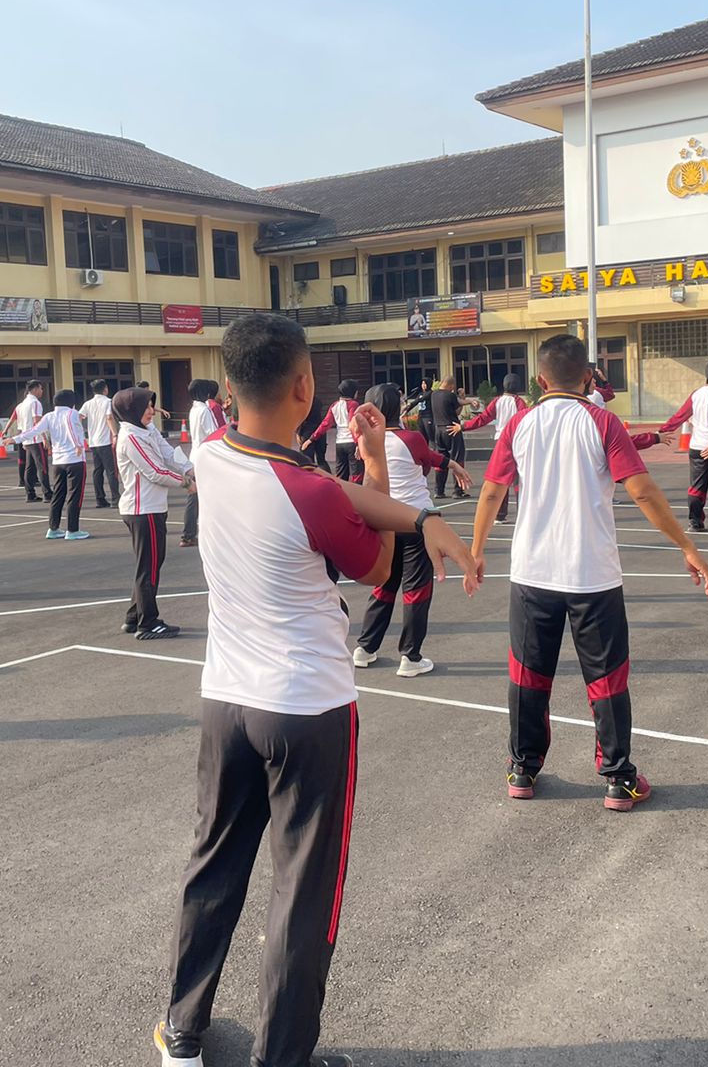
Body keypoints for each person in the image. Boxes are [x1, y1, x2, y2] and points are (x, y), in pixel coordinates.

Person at [156, 312, 477, 1067]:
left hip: (226, 698)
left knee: (213, 865)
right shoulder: (310, 492)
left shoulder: (212, 452)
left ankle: (182, 1036)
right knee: (304, 894)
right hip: (305, 707)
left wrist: (418, 512)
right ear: (305, 386)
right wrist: (382, 469)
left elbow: (320, 488)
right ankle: (283, 1057)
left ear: (228, 387)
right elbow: (376, 567)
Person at [467, 333, 708, 809]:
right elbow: (642, 491)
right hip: (592, 575)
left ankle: (522, 768)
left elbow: (492, 492)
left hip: (532, 573)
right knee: (606, 679)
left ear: (540, 381)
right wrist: (686, 545)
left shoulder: (520, 423)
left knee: (527, 675)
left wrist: (476, 550)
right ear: (587, 378)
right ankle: (619, 778)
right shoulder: (602, 422)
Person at [349, 381, 472, 679]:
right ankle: (410, 656)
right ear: (396, 407)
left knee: (384, 586)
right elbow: (431, 459)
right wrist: (454, 465)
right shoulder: (411, 438)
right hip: (415, 521)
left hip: (384, 519)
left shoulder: (364, 440)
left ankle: (365, 647)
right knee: (417, 589)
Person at [115, 387, 192, 640]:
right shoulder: (131, 437)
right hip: (143, 510)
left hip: (153, 507)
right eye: (147, 407)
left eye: (151, 405)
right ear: (132, 410)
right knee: (149, 568)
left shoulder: (146, 430)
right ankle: (148, 623)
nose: (152, 411)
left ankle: (133, 617)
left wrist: (189, 469)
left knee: (150, 564)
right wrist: (186, 483)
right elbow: (155, 471)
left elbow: (168, 452)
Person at [658, 360, 708, 533]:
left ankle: (695, 522)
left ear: (706, 375)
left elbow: (680, 415)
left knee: (697, 485)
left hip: (696, 447)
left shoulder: (696, 394)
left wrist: (662, 431)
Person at [12, 389, 89, 540]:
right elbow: (70, 426)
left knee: (58, 495)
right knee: (75, 496)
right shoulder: (72, 413)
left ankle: (53, 528)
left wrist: (15, 439)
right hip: (75, 460)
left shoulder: (49, 416)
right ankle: (73, 530)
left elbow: (34, 430)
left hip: (58, 462)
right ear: (71, 403)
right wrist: (77, 444)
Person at [461, 373, 528, 522]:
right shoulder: (519, 402)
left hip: (500, 442)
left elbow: (483, 419)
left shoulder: (497, 401)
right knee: (519, 480)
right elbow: (526, 421)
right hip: (516, 441)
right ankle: (522, 514)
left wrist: (464, 426)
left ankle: (500, 515)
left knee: (501, 479)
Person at [181, 379, 224, 548]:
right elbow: (213, 433)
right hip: (206, 457)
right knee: (206, 496)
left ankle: (188, 534)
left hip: (195, 455)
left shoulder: (194, 409)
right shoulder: (205, 410)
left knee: (194, 497)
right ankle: (198, 533)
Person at [0, 380, 47, 503]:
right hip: (36, 439)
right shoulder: (35, 403)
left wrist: (5, 430)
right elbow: (37, 423)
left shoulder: (20, 405)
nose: (42, 391)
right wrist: (45, 438)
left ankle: (30, 493)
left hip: (26, 440)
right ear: (35, 389)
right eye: (41, 388)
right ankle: (47, 493)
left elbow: (13, 418)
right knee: (42, 467)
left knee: (29, 467)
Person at [303, 379, 361, 482]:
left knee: (341, 476)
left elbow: (325, 424)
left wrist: (311, 439)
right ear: (353, 392)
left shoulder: (334, 405)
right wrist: (358, 443)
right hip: (352, 443)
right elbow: (353, 425)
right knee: (356, 475)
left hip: (339, 444)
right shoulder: (353, 404)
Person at [80, 380, 120, 507]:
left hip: (93, 441)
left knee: (98, 470)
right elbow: (109, 417)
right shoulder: (108, 402)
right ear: (105, 389)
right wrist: (115, 434)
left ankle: (100, 498)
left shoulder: (88, 403)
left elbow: (79, 417)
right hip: (106, 441)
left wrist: (81, 433)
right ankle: (115, 499)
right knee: (111, 470)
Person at [428, 376, 467, 499]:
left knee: (441, 460)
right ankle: (457, 491)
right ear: (451, 386)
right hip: (452, 429)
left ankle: (439, 490)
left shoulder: (433, 395)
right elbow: (458, 409)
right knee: (457, 459)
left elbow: (453, 409)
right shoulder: (450, 395)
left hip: (438, 430)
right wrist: (465, 398)